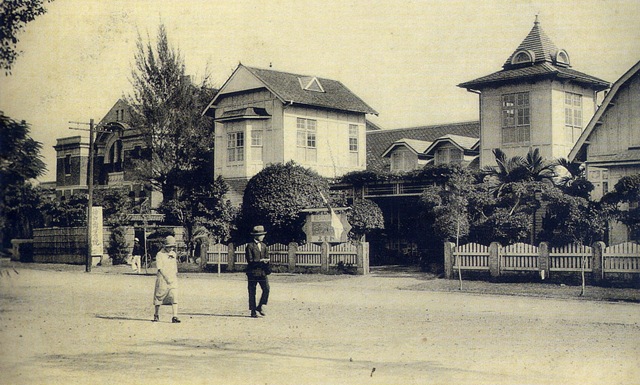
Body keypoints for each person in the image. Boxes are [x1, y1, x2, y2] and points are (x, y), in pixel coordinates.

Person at [153, 235, 180, 323]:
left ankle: (175, 316)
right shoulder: (159, 254)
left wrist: (175, 274)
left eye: (172, 247)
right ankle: (156, 314)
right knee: (159, 296)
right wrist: (166, 278)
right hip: (162, 279)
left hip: (172, 278)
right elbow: (160, 268)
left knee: (174, 296)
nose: (171, 249)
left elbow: (174, 266)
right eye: (169, 247)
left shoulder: (173, 254)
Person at [245, 225, 270, 318]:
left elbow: (266, 258)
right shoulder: (250, 246)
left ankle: (260, 306)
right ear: (256, 236)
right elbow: (250, 260)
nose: (263, 236)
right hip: (252, 272)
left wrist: (267, 265)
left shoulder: (264, 246)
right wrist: (260, 261)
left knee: (266, 289)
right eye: (261, 235)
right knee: (252, 291)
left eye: (263, 234)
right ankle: (253, 310)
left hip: (262, 272)